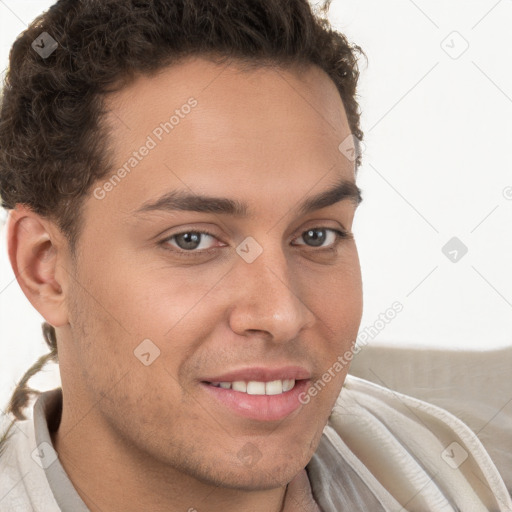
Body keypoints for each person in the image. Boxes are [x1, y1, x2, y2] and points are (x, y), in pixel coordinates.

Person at [0, 1, 510, 511]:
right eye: (192, 240)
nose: (281, 314)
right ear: (45, 269)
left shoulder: (449, 473)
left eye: (316, 236)